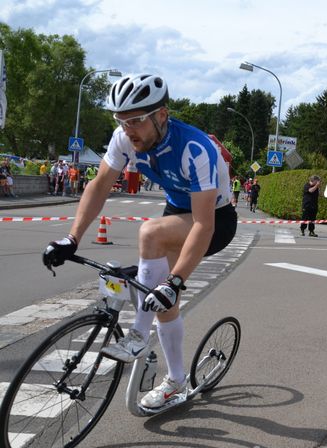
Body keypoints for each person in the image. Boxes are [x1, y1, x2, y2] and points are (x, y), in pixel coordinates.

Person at [42, 73, 237, 409]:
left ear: (161, 115)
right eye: (121, 120)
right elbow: (100, 186)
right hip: (176, 210)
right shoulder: (124, 139)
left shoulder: (195, 147)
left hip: (215, 221)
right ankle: (176, 380)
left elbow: (204, 224)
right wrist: (72, 238)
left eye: (136, 121)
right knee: (161, 300)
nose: (128, 129)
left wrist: (176, 281)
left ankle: (137, 337)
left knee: (150, 234)